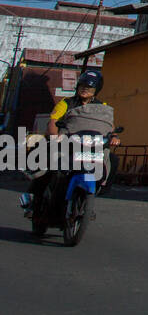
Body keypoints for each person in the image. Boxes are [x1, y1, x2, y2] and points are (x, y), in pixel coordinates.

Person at [21, 69, 118, 216]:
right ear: (78, 86)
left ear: (96, 90)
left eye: (89, 88)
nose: (85, 90)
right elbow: (53, 121)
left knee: (112, 159)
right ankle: (34, 198)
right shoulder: (66, 103)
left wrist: (114, 136)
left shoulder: (102, 106)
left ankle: (91, 196)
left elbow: (109, 125)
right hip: (68, 143)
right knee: (50, 164)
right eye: (83, 86)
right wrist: (54, 135)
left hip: (91, 146)